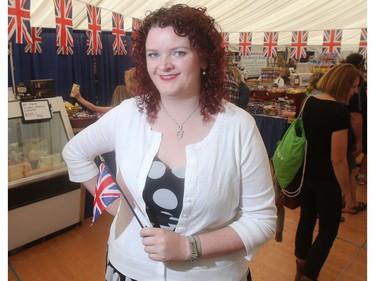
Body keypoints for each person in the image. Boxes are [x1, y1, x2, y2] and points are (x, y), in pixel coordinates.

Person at [62, 4, 277, 281]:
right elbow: (75, 153)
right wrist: (115, 205)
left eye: (179, 52)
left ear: (205, 59)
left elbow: (261, 220)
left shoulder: (238, 127)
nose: (163, 65)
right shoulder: (129, 114)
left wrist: (190, 247)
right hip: (128, 268)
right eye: (154, 54)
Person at [294, 63, 361, 281]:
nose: (355, 91)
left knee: (306, 221)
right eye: (353, 86)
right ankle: (309, 276)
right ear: (342, 84)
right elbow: (338, 159)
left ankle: (300, 269)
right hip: (327, 182)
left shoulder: (308, 101)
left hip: (306, 175)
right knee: (328, 231)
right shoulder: (338, 112)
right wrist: (348, 194)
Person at [345, 53, 367, 188]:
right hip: (350, 130)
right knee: (348, 164)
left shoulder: (343, 79)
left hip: (344, 128)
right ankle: (350, 201)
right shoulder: (354, 81)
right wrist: (359, 141)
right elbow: (355, 115)